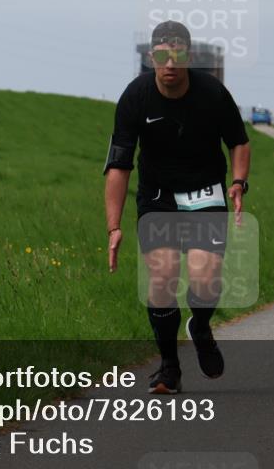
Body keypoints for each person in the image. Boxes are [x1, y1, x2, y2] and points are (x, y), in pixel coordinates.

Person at [104, 21, 251, 394]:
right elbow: (119, 165)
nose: (170, 63)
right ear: (151, 57)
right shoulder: (135, 97)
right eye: (162, 56)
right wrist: (114, 226)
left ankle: (200, 326)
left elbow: (239, 141)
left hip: (205, 190)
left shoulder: (213, 93)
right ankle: (169, 366)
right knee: (162, 274)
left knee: (204, 275)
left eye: (178, 55)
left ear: (189, 57)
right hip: (158, 195)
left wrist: (237, 182)